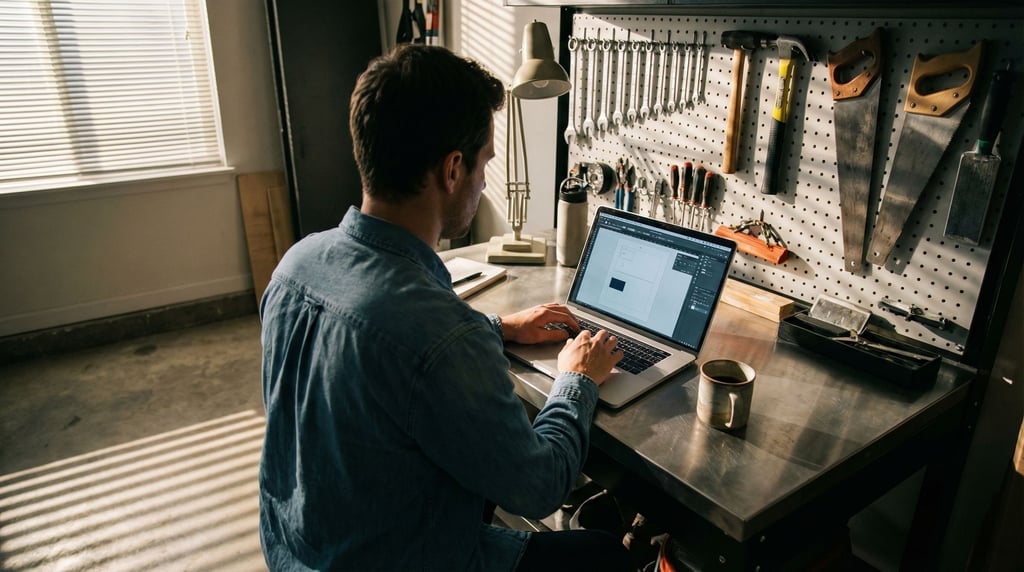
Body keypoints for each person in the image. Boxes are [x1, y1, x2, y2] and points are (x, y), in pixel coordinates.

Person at [258, 43, 630, 571]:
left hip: (298, 550)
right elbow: (541, 485)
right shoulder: (441, 337)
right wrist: (578, 380)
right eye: (484, 165)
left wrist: (497, 327)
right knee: (602, 555)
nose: (483, 182)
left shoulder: (295, 266)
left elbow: (384, 351)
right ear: (452, 169)